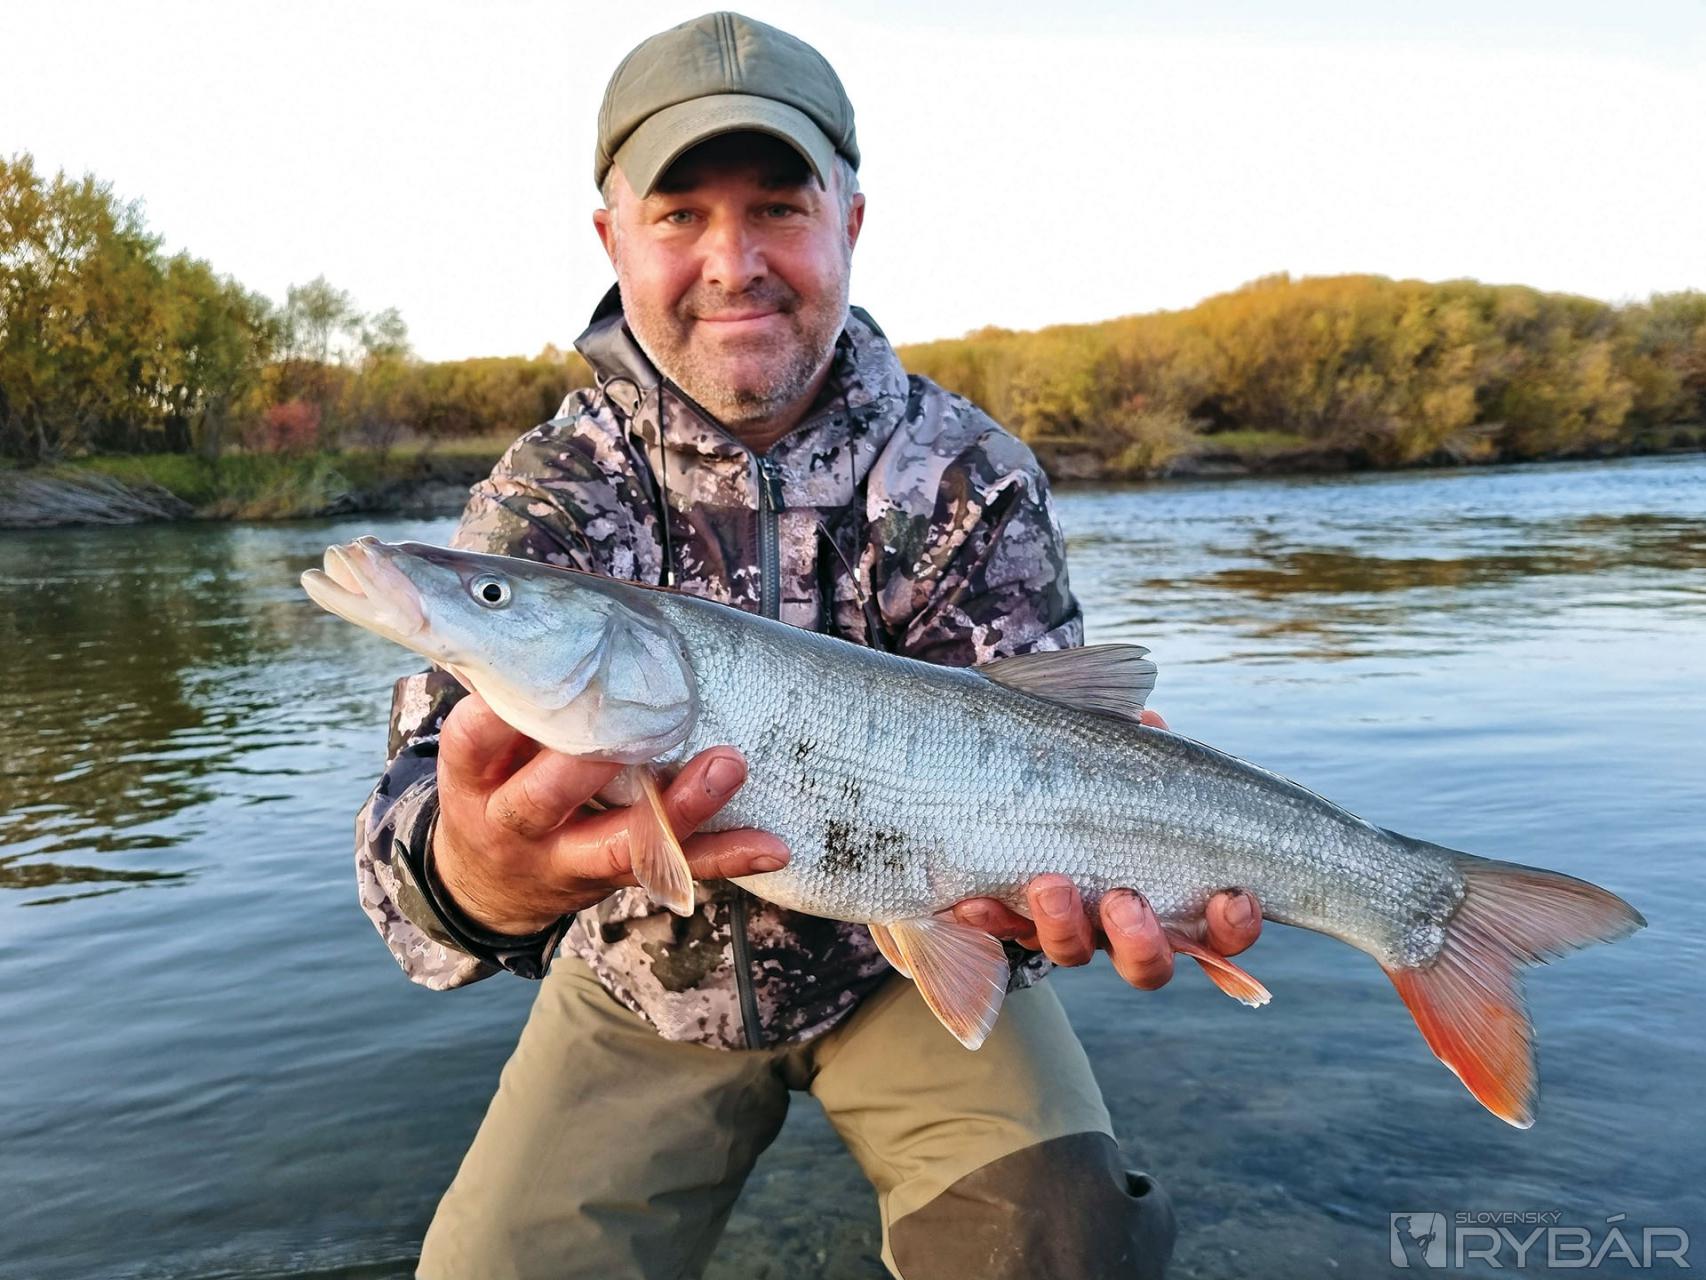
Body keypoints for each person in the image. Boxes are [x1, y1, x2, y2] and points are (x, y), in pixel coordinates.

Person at [354, 13, 1262, 1278]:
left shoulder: (971, 474)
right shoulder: (543, 498)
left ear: (850, 219)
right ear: (611, 238)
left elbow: (1047, 778)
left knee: (1064, 1245)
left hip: (903, 968)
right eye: (678, 215)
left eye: (777, 207)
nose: (732, 262)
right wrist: (476, 875)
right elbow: (406, 871)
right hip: (635, 983)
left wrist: (1070, 893)